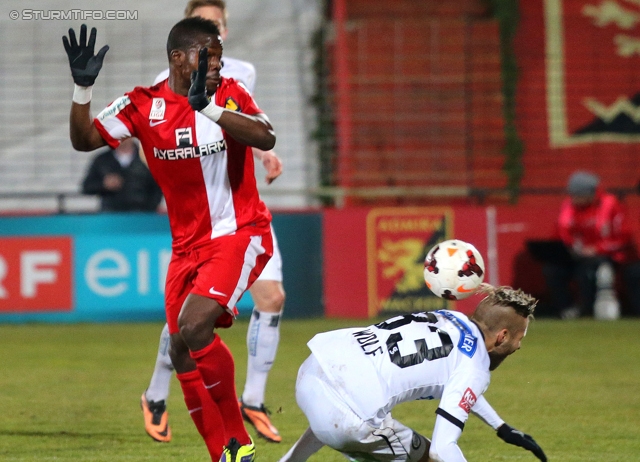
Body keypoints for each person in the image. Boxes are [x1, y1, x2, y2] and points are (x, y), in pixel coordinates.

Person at [63, 18, 276, 461]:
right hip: (186, 248)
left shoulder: (228, 92)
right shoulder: (142, 105)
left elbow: (266, 134)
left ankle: (237, 439)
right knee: (180, 348)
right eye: (207, 55)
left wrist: (210, 108)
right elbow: (84, 140)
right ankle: (222, 454)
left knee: (194, 325)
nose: (216, 64)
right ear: (179, 59)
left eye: (218, 56)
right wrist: (82, 89)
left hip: (239, 233)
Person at [140, 0, 285, 445]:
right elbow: (160, 140)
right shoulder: (162, 88)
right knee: (189, 320)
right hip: (200, 224)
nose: (213, 32)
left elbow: (250, 127)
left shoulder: (238, 74)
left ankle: (253, 401)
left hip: (242, 212)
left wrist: (265, 153)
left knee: (270, 298)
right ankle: (158, 393)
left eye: (218, 26)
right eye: (206, 25)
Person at [279, 285, 547, 462]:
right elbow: (443, 448)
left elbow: (460, 388)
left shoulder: (448, 318)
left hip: (314, 370)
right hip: (349, 417)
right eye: (518, 338)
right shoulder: (474, 367)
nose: (519, 345)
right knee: (428, 458)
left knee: (344, 413)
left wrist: (500, 426)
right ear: (502, 337)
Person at [543, 171, 640, 319]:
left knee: (587, 270)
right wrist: (564, 249)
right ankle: (566, 310)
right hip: (576, 255)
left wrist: (597, 249)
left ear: (591, 194)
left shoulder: (610, 205)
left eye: (578, 195)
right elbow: (560, 233)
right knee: (552, 270)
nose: (574, 199)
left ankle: (587, 309)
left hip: (608, 255)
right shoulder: (568, 207)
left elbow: (623, 237)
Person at [81, 137, 163, 212]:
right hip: (111, 215)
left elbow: (159, 186)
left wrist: (151, 208)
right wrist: (104, 184)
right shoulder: (102, 160)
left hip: (141, 215)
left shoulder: (147, 158)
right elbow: (87, 186)